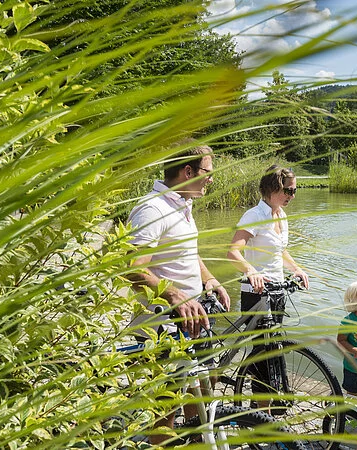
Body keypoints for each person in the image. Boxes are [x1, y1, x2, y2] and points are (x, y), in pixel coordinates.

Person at [126, 140, 230, 444]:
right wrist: (173, 295)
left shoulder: (183, 204)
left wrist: (210, 279)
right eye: (208, 172)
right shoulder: (152, 209)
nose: (211, 179)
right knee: (164, 412)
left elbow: (189, 254)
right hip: (161, 326)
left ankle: (193, 439)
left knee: (198, 399)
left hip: (191, 319)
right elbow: (131, 267)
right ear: (188, 171)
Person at [226, 165, 310, 411]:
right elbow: (232, 252)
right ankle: (261, 411)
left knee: (273, 346)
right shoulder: (255, 215)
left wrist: (296, 269)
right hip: (256, 293)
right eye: (288, 191)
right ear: (273, 188)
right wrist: (250, 271)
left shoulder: (280, 215)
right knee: (262, 351)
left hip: (277, 290)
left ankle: (263, 399)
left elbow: (279, 250)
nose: (292, 196)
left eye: (295, 191)